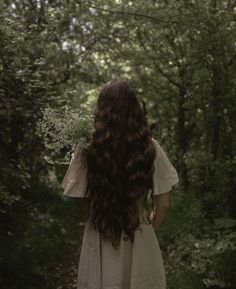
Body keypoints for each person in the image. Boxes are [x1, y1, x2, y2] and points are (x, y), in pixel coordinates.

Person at [60, 79, 179, 289]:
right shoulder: (149, 147)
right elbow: (163, 202)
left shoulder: (86, 147)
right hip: (138, 231)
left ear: (101, 109)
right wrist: (150, 224)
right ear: (134, 109)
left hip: (100, 230)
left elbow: (79, 196)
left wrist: (99, 213)